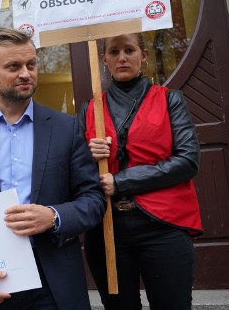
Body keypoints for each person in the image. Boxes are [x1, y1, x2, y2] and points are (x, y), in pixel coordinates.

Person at [0, 27, 105, 310]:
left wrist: (53, 216)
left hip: (53, 284)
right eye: (13, 66)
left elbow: (94, 200)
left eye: (31, 65)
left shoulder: (66, 128)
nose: (26, 73)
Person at [77, 33, 202, 310]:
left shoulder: (170, 100)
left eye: (129, 50)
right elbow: (74, 173)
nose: (122, 57)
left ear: (143, 56)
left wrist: (121, 182)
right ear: (104, 59)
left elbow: (188, 161)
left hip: (163, 226)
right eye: (114, 52)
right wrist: (87, 156)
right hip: (107, 229)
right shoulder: (89, 109)